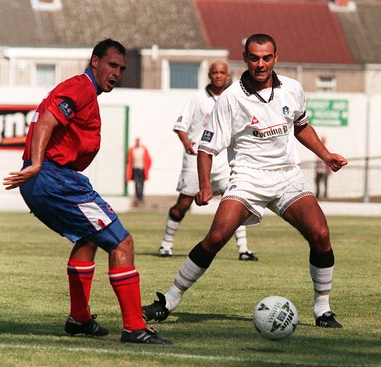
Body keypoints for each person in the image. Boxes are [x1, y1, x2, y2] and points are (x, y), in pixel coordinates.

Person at [142, 34, 348, 329]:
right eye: (254, 58)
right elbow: (206, 147)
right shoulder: (231, 98)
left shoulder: (292, 89)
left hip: (287, 177)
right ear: (245, 58)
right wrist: (203, 186)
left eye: (266, 58)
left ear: (276, 57)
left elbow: (301, 126)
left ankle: (323, 309)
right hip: (248, 178)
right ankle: (169, 301)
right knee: (216, 237)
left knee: (321, 234)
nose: (260, 64)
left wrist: (326, 155)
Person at [3, 38, 171, 345]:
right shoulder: (80, 87)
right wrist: (38, 164)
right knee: (122, 243)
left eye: (121, 68)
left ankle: (79, 319)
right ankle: (134, 326)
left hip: (48, 178)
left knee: (87, 238)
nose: (117, 73)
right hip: (54, 176)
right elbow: (45, 123)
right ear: (94, 61)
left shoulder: (86, 93)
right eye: (112, 65)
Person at [158, 61, 257, 261]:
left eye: (222, 72)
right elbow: (180, 125)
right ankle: (166, 245)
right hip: (196, 158)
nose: (219, 76)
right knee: (183, 204)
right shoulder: (197, 99)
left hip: (222, 161)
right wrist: (186, 143)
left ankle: (243, 249)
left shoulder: (234, 98)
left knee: (236, 201)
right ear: (209, 75)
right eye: (215, 72)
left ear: (227, 76)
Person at [126, 137, 152, 206]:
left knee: (142, 183)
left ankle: (141, 196)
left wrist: (146, 168)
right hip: (135, 168)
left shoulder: (143, 150)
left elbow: (148, 160)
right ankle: (137, 196)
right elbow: (130, 160)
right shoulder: (132, 150)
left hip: (142, 168)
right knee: (136, 183)